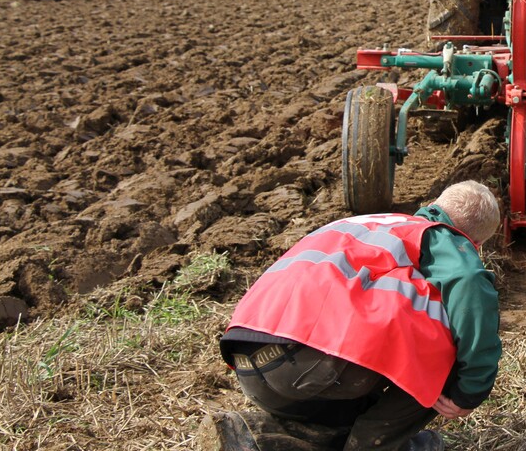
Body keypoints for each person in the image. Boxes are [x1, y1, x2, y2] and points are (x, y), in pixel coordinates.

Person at [200, 180, 503, 451]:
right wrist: (469, 392)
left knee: (362, 404)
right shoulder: (441, 237)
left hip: (248, 362)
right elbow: (468, 284)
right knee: (449, 343)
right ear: (472, 243)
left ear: (432, 206)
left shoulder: (365, 225)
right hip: (306, 363)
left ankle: (254, 434)